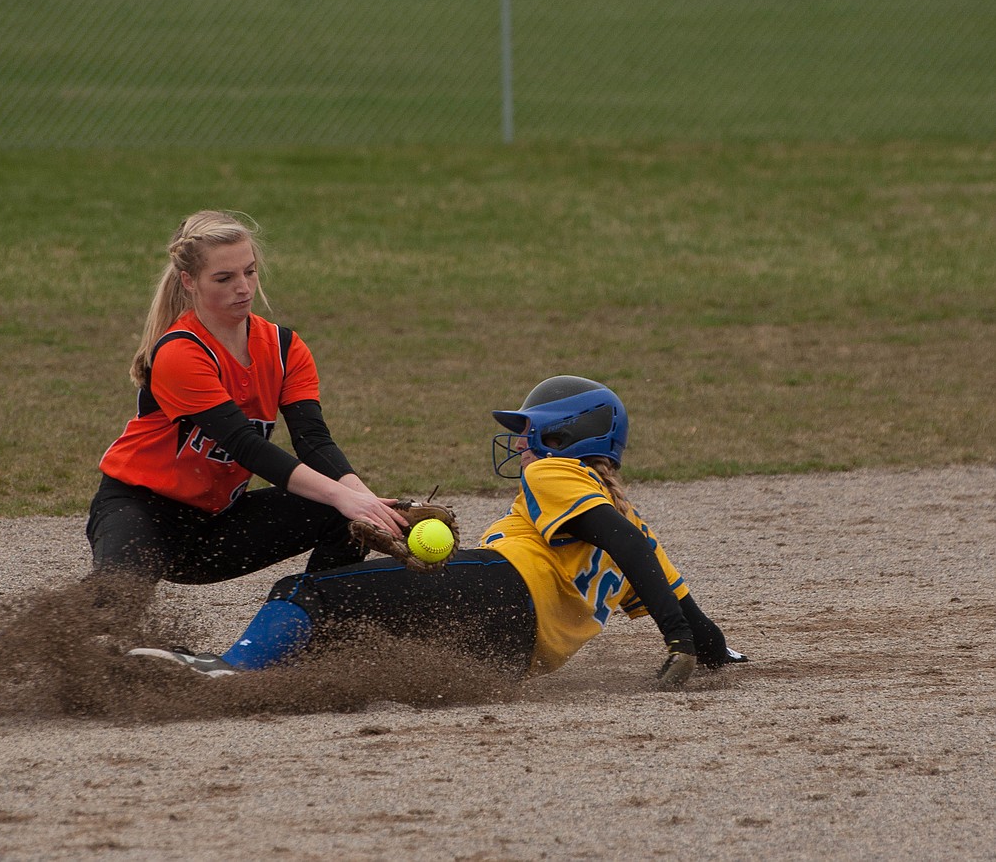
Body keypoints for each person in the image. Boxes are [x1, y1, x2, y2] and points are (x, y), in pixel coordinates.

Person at [129, 375, 747, 690]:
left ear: (565, 440)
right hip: (512, 658)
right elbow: (677, 595)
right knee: (353, 611)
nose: (522, 444)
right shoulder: (635, 519)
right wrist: (712, 652)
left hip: (501, 592)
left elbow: (627, 544)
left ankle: (229, 672)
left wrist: (679, 645)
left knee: (304, 592)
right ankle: (281, 672)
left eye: (531, 432)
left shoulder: (559, 473)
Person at [86, 210, 407, 589]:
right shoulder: (181, 351)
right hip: (140, 508)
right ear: (188, 281)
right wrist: (345, 495)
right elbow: (245, 445)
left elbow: (313, 441)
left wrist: (371, 504)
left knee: (348, 517)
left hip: (216, 525)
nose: (243, 287)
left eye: (249, 272)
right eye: (224, 278)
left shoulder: (286, 348)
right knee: (116, 600)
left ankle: (319, 632)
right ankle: (32, 644)